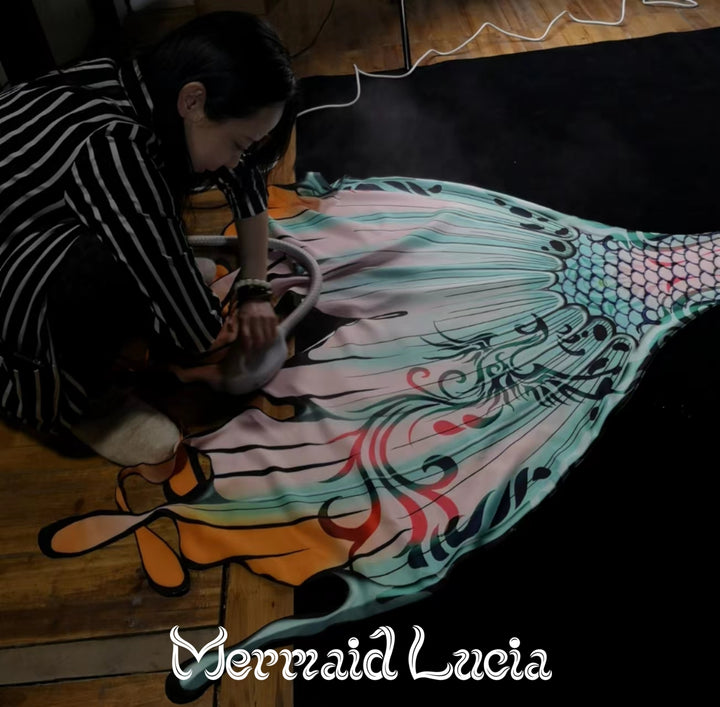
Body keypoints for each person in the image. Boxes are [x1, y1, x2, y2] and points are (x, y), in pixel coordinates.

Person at [0, 11, 298, 465]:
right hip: (11, 284)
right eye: (239, 143)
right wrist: (209, 335)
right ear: (193, 100)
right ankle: (84, 403)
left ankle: (139, 302)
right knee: (115, 272)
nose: (237, 162)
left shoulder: (140, 82)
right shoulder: (115, 149)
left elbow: (244, 176)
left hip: (27, 220)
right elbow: (197, 332)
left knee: (155, 264)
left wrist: (254, 288)